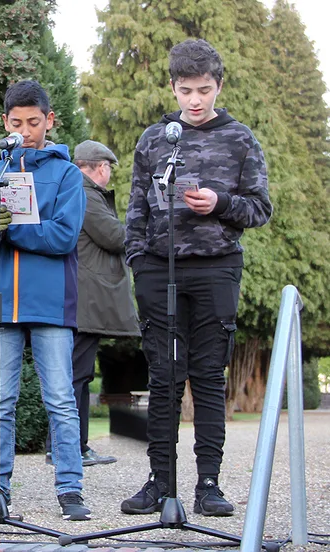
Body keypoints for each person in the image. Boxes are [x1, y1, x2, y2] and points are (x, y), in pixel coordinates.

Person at [122, 39, 272, 517]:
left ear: (219, 86)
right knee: (164, 377)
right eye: (185, 90)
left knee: (208, 377)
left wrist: (221, 203)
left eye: (204, 90)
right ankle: (160, 482)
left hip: (216, 269)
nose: (194, 100)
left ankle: (209, 484)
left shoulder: (241, 138)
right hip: (158, 270)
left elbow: (261, 208)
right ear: (172, 86)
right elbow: (135, 210)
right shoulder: (153, 140)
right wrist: (137, 262)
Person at [0, 80, 91, 521]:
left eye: (35, 122)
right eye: (17, 123)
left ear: (49, 121)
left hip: (51, 303)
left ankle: (70, 488)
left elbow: (63, 236)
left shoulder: (68, 174)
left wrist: (10, 229)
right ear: (5, 123)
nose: (27, 130)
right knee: (0, 401)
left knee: (59, 399)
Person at [44, 140, 140, 468]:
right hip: (85, 298)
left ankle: (70, 446)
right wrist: (144, 233)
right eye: (109, 167)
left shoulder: (79, 191)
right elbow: (114, 236)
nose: (110, 173)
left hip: (83, 298)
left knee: (77, 375)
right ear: (99, 166)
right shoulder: (86, 193)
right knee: (75, 376)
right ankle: (67, 447)